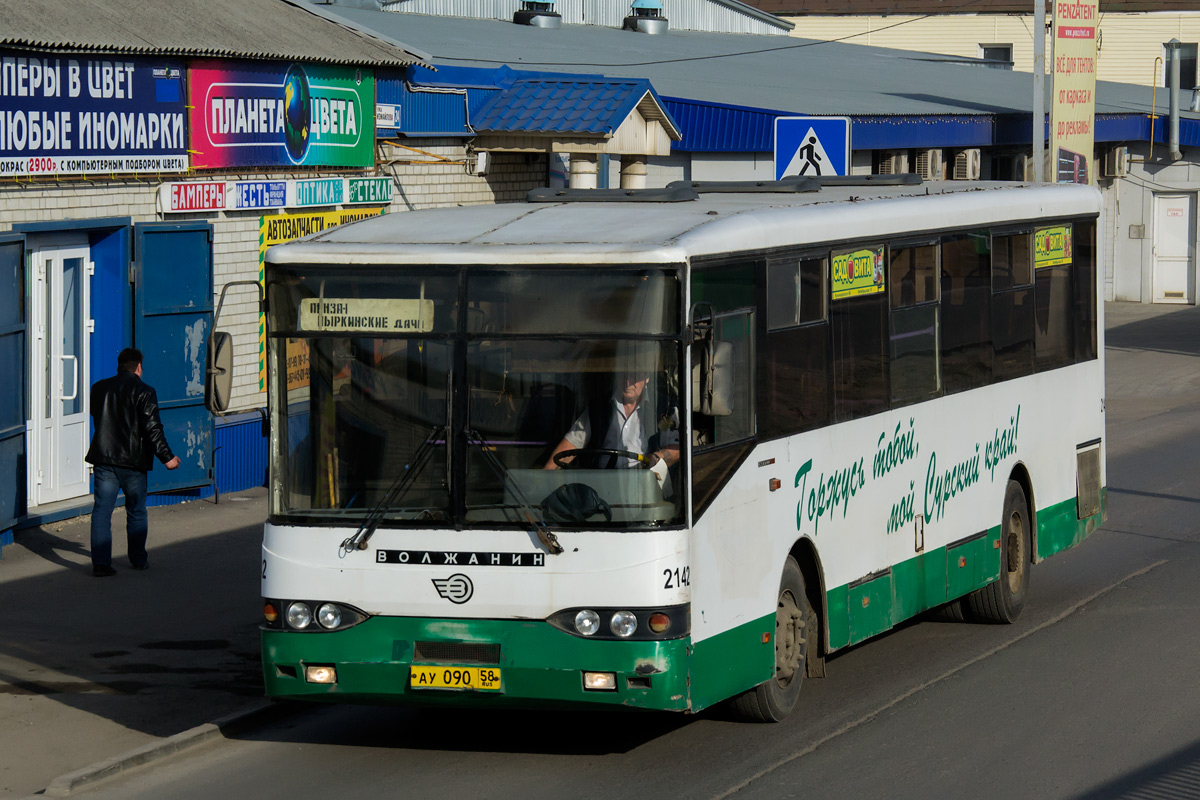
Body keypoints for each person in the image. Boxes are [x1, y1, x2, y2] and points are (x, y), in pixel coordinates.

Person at [85, 347, 180, 577]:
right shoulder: (145, 391)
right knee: (136, 511)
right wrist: (167, 458)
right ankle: (138, 560)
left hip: (105, 461)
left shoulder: (98, 388)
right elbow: (153, 428)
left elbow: (99, 418)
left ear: (119, 366)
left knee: (101, 512)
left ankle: (100, 564)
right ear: (138, 367)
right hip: (133, 463)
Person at [544, 372, 679, 472]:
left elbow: (676, 449)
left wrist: (652, 460)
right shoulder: (599, 408)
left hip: (646, 484)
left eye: (634, 376)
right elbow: (572, 443)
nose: (627, 383)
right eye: (623, 376)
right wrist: (545, 476)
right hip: (605, 484)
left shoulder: (663, 407)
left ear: (647, 377)